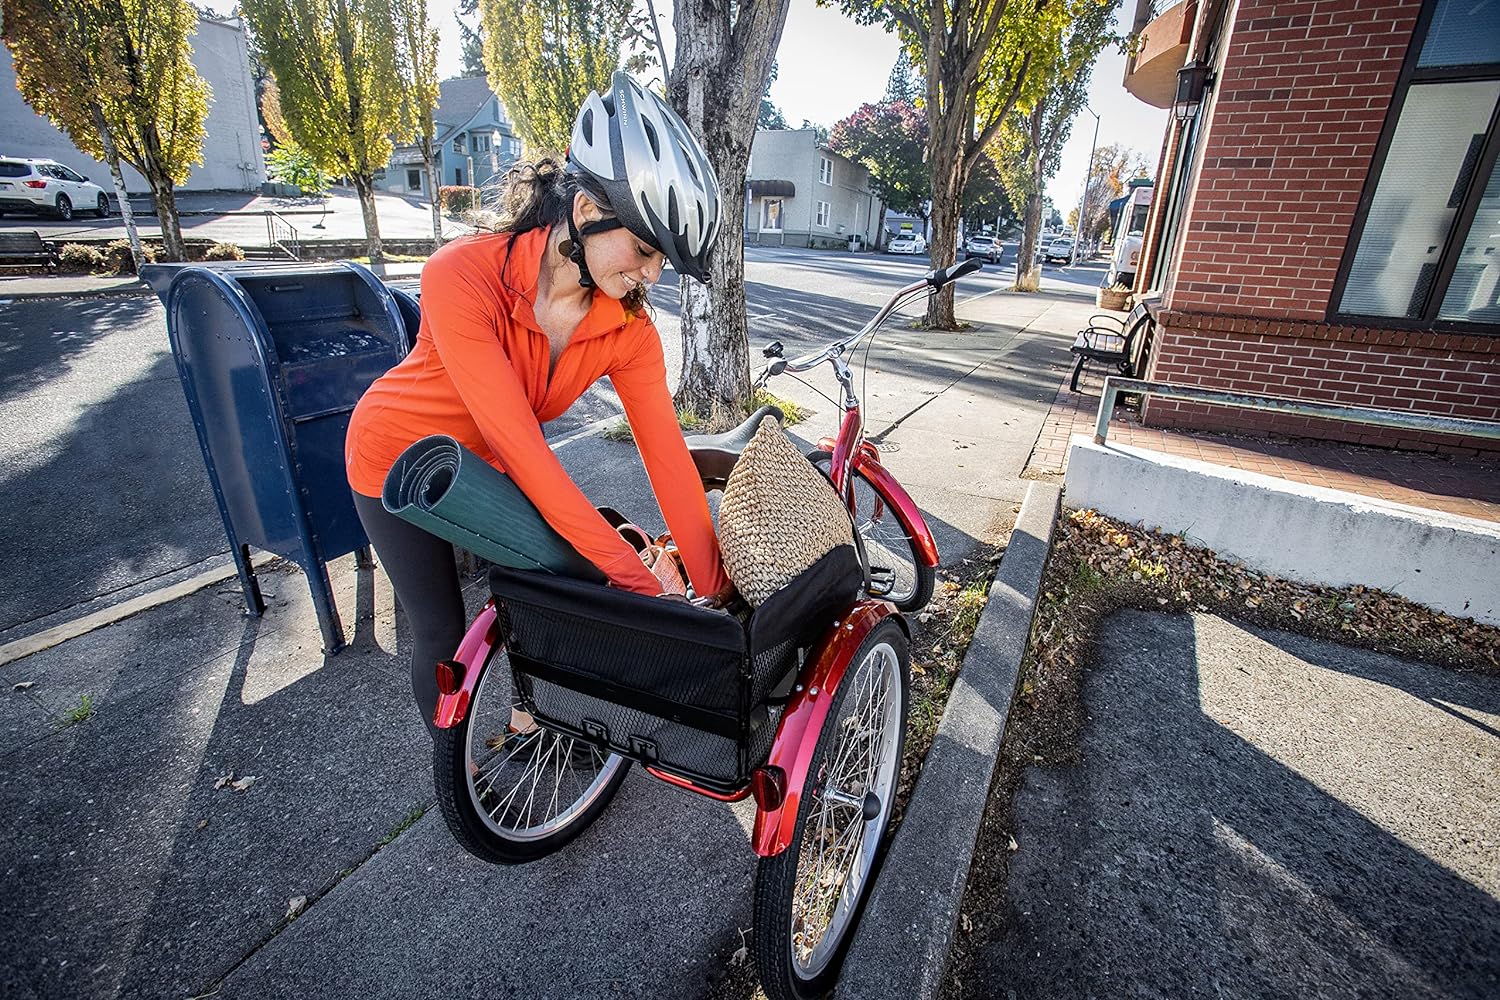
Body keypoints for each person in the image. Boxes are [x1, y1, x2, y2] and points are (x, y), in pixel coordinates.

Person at [345, 72, 729, 734]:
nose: (651, 274)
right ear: (585, 212)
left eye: (660, 259)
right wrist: (645, 591)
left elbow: (668, 461)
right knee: (441, 630)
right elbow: (526, 452)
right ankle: (459, 778)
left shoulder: (628, 330)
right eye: (643, 248)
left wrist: (712, 593)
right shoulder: (461, 275)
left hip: (486, 464)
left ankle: (536, 724)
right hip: (394, 458)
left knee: (544, 599)